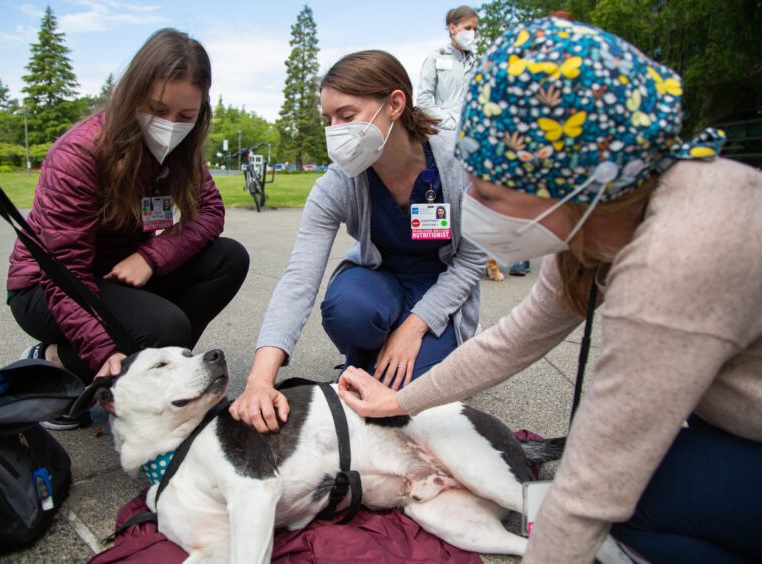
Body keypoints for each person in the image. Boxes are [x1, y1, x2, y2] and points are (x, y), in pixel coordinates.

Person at [337, 16, 762, 564]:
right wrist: (401, 400)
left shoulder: (677, 257)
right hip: (728, 423)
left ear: (571, 180)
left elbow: (599, 476)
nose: (477, 214)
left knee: (619, 508)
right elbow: (515, 338)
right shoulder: (597, 215)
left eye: (490, 193)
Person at [229, 50, 486, 433]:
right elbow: (300, 277)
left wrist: (414, 327)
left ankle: (429, 345)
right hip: (378, 281)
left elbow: (471, 260)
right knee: (349, 308)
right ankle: (369, 359)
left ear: (395, 104)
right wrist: (259, 379)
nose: (334, 130)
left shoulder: (459, 161)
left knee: (412, 396)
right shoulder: (339, 182)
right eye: (328, 119)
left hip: (439, 289)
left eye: (346, 117)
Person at [7, 28, 250, 429]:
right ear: (132, 94)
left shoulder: (182, 151)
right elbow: (63, 269)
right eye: (156, 110)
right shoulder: (79, 153)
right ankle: (56, 364)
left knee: (229, 258)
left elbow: (210, 211)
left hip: (122, 274)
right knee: (166, 326)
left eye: (185, 117)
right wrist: (100, 349)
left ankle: (157, 377)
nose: (170, 126)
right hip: (48, 287)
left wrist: (151, 256)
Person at [417, 5, 478, 132]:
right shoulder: (436, 58)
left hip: (472, 129)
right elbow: (423, 101)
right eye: (467, 28)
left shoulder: (477, 63)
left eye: (475, 29)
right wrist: (449, 122)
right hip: (444, 130)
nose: (472, 33)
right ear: (452, 28)